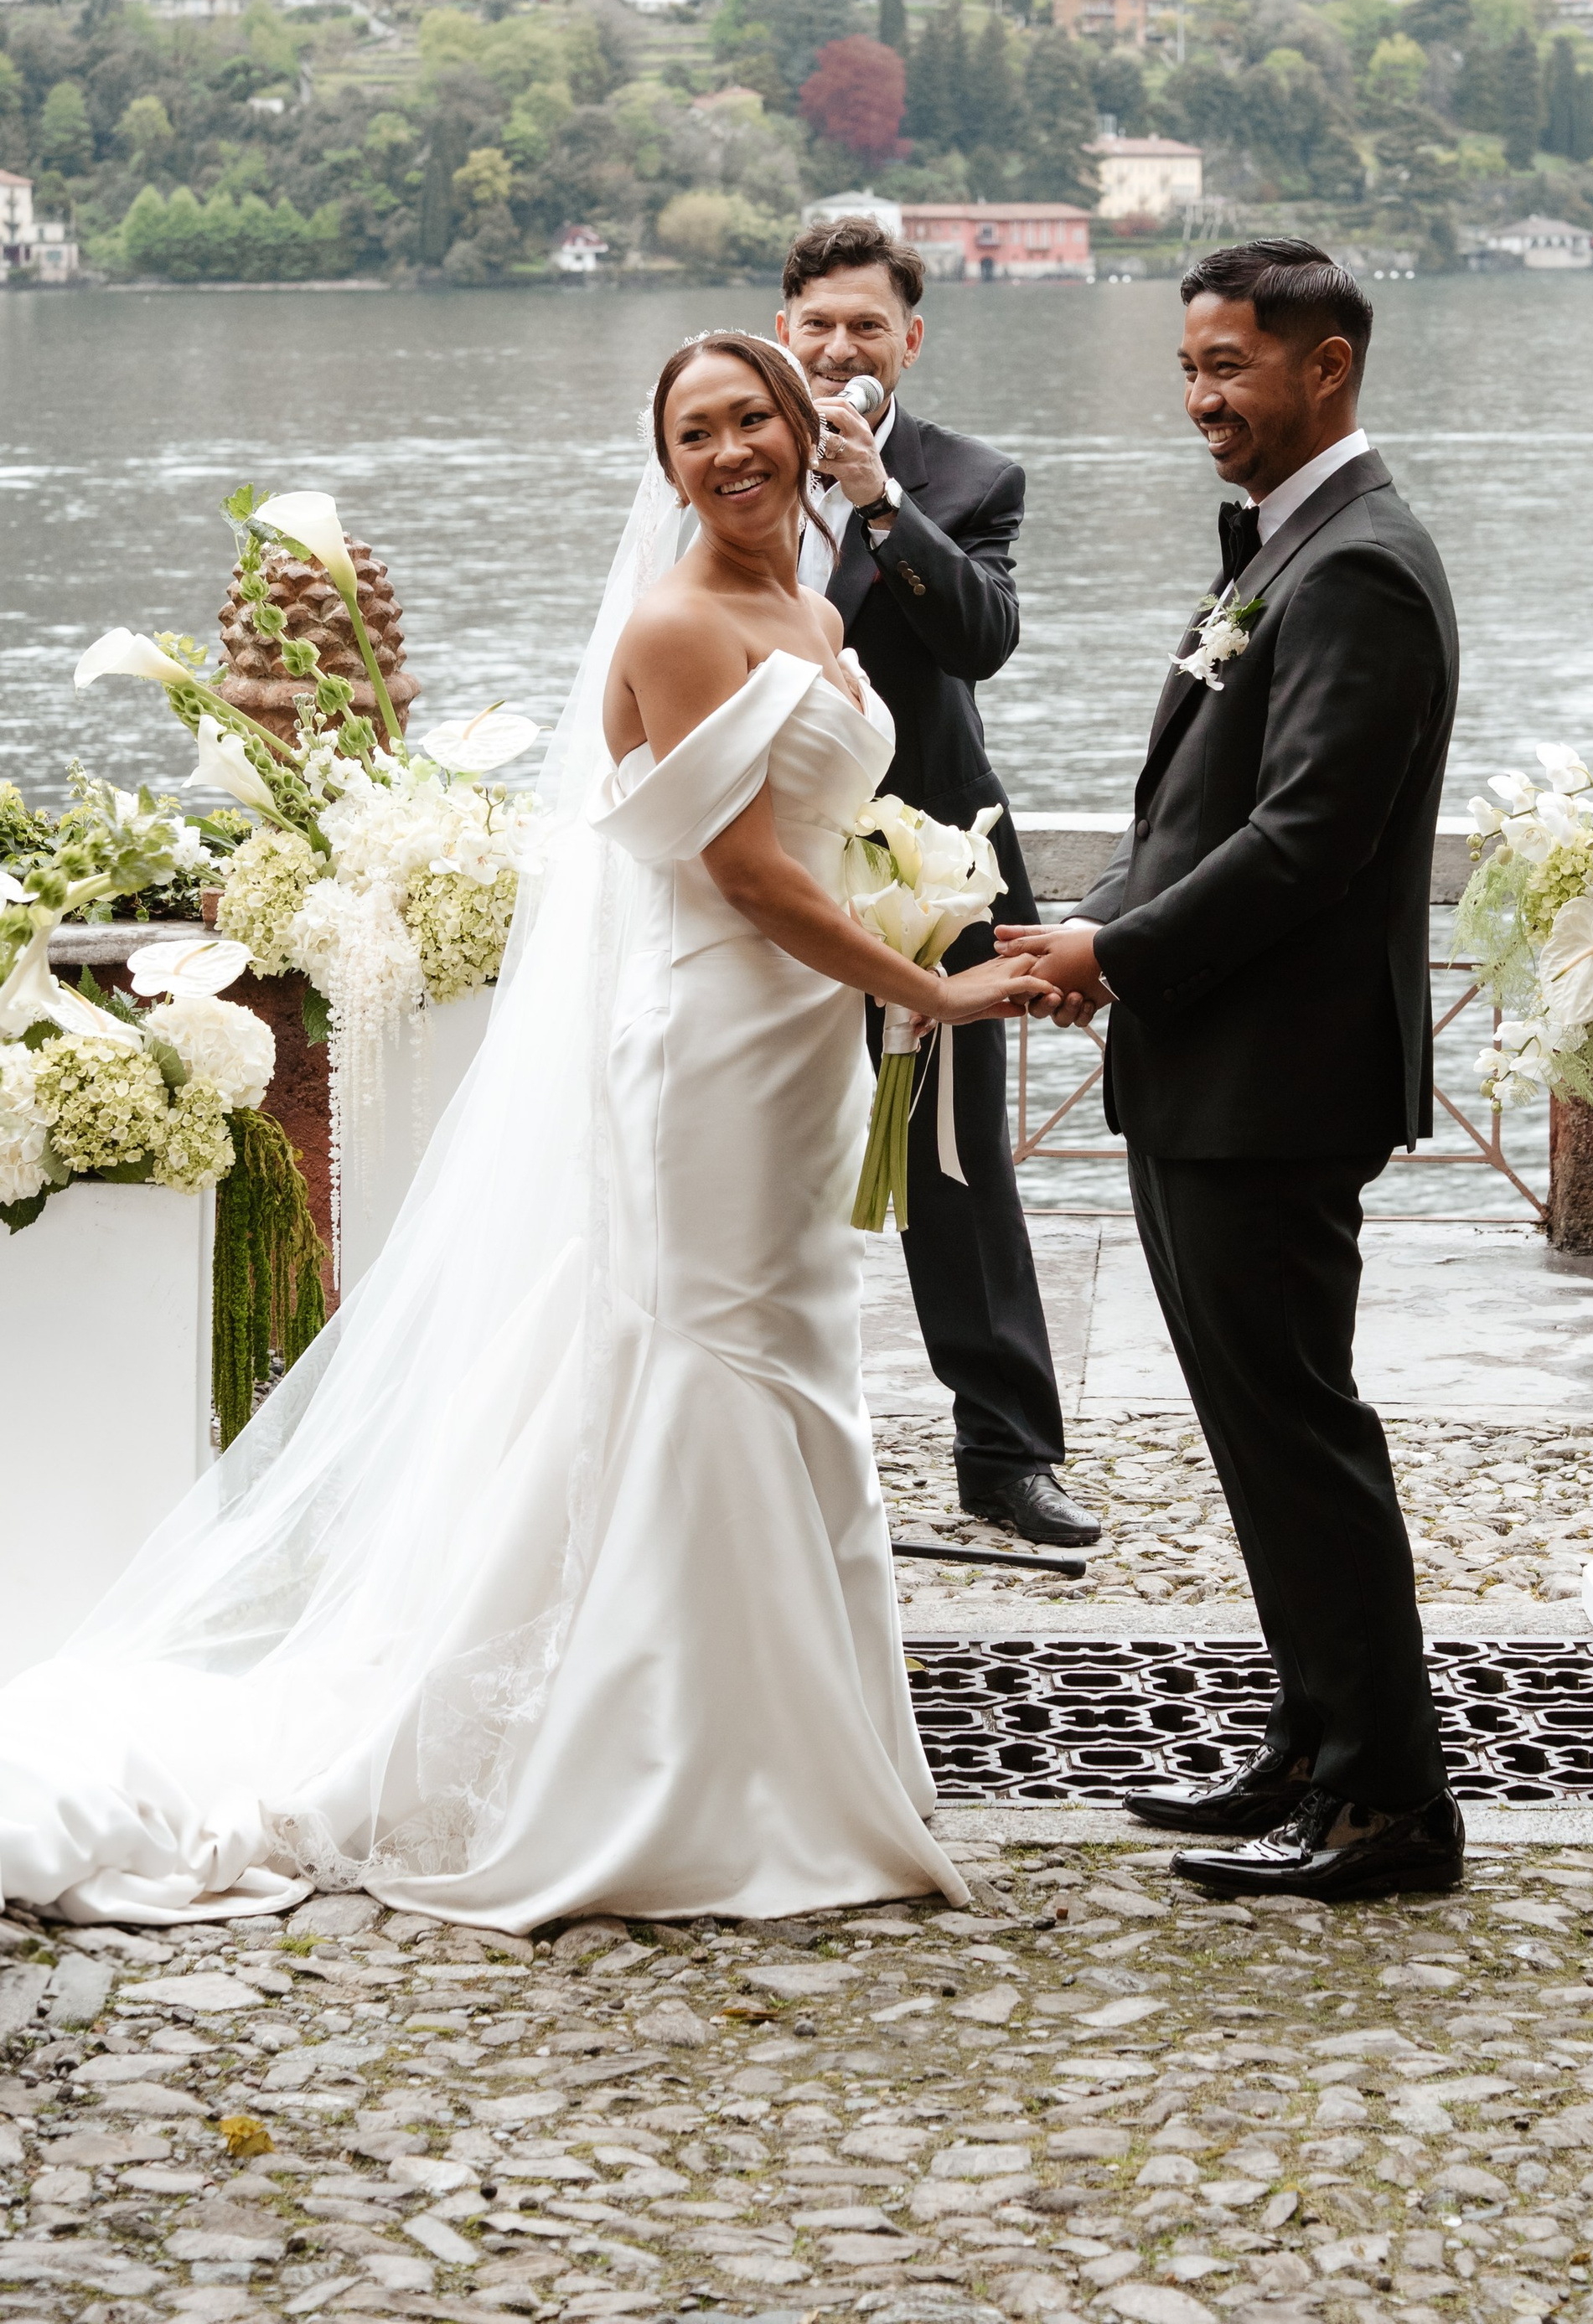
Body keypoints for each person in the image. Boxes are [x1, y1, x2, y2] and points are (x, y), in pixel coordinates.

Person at [0, 333, 1047, 1929]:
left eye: (749, 419)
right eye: (692, 434)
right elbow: (748, 876)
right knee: (710, 1353)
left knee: (780, 1354)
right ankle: (685, 1774)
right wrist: (935, 986)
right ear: (669, 463)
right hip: (716, 1039)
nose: (728, 454)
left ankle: (789, 1747)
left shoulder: (820, 611)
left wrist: (895, 921)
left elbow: (821, 842)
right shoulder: (682, 620)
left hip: (797, 1043)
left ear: (802, 422)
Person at [998, 240, 1465, 1903]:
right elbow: (1192, 817)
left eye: (1226, 369)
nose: (1198, 399)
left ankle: (1388, 1812)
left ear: (1322, 366)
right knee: (1259, 1430)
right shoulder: (1292, 544)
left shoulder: (1354, 567)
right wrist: (1094, 924)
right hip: (1217, 1067)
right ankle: (1311, 1747)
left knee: (1296, 1432)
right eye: (1188, 368)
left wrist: (1112, 957)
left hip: (1275, 1082)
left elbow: (1304, 842)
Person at [776, 214, 1097, 1552]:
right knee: (758, 1143)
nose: (840, 347)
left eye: (866, 324)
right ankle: (771, 1446)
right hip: (766, 862)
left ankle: (1005, 1454)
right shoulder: (722, 459)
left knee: (954, 1161)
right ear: (783, 330)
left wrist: (875, 503)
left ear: (909, 338)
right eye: (817, 324)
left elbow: (983, 636)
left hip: (932, 867)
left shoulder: (967, 477)